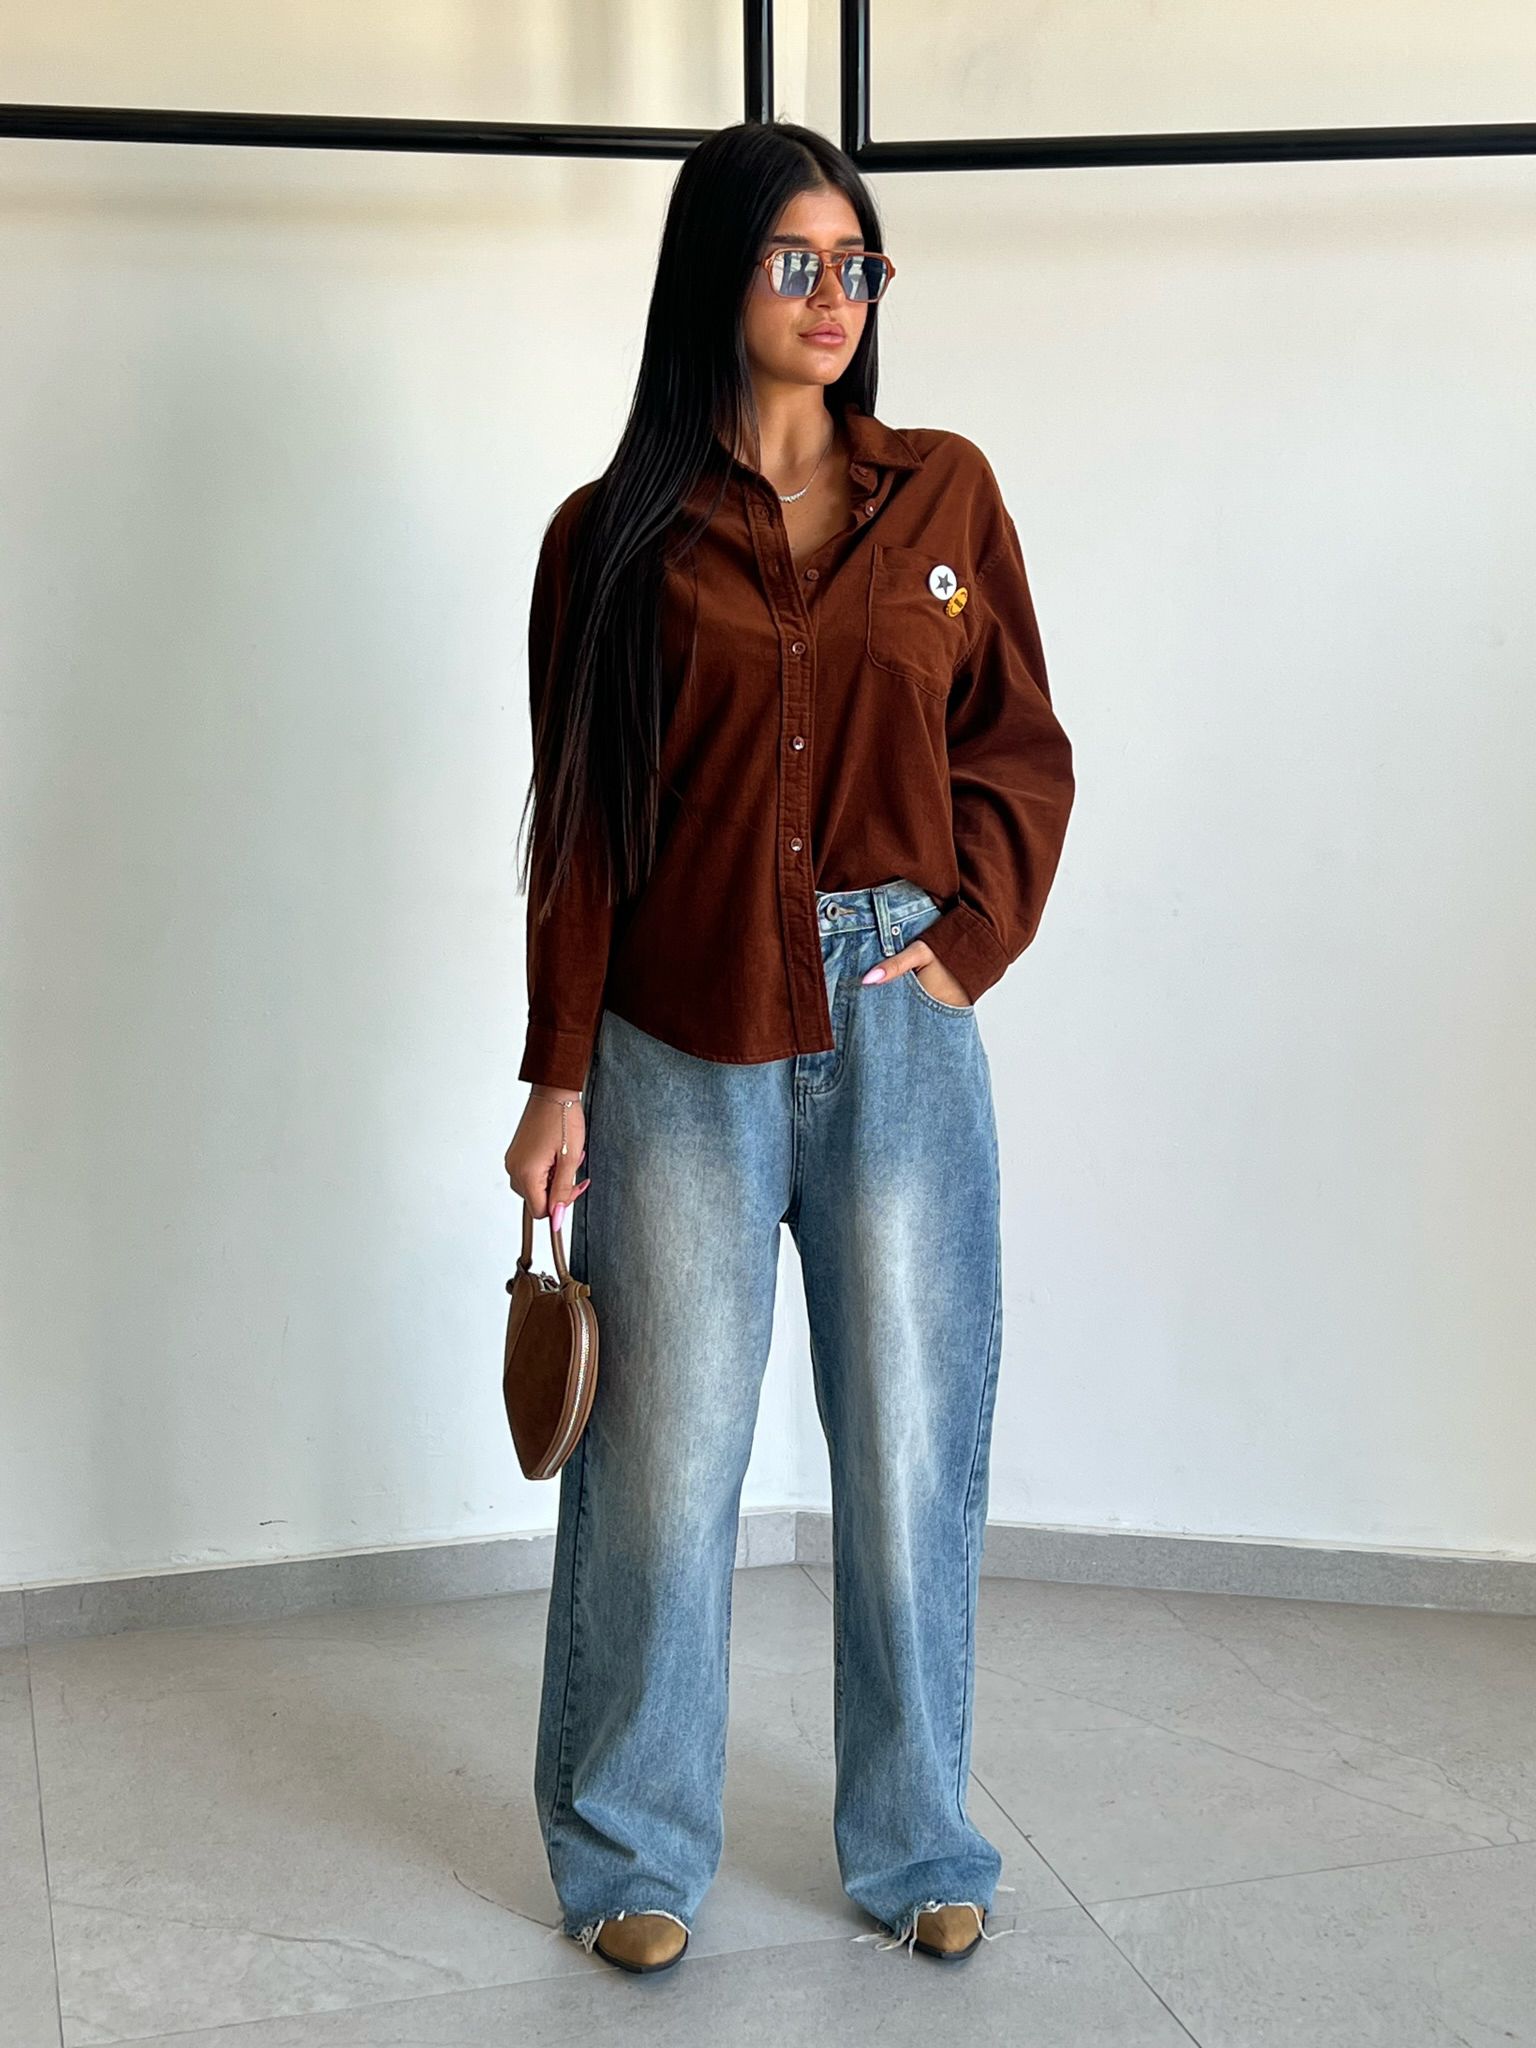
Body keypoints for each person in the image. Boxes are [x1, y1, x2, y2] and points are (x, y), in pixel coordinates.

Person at [504, 117, 1074, 1977]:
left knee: (912, 1439)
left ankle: (917, 1841)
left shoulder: (946, 497)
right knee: (665, 1458)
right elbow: (583, 826)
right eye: (795, 261)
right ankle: (628, 1848)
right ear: (716, 276)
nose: (836, 295)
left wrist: (968, 942)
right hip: (679, 1029)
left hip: (898, 1022)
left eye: (858, 263)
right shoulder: (610, 538)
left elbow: (1019, 747)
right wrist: (558, 1073)